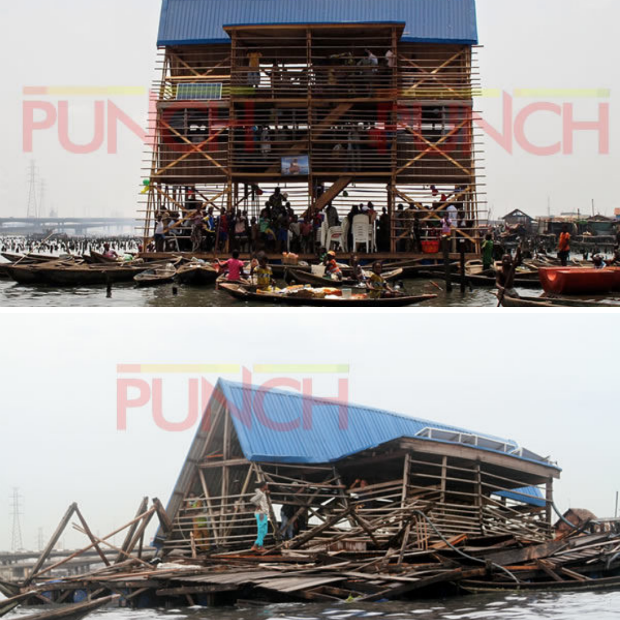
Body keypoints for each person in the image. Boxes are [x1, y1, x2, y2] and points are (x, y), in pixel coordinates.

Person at [250, 482, 270, 552]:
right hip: (261, 514)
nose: (267, 486)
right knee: (261, 530)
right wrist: (257, 505)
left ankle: (256, 545)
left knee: (264, 531)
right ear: (263, 486)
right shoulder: (260, 494)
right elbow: (252, 500)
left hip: (263, 513)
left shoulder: (262, 493)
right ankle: (259, 546)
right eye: (266, 485)